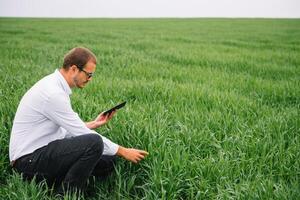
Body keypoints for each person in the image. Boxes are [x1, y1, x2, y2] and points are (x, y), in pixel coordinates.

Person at [9, 47, 148, 195]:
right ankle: (66, 194)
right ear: (74, 69)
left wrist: (94, 124)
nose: (90, 79)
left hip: (42, 151)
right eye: (88, 74)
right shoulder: (53, 93)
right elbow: (80, 133)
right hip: (28, 162)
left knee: (108, 162)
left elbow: (66, 129)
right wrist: (123, 151)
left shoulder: (55, 85)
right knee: (94, 143)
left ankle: (56, 180)